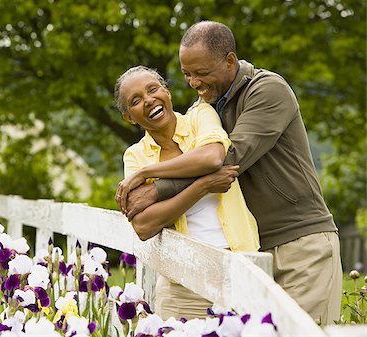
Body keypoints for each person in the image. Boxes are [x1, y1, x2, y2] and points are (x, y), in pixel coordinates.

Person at [121, 21, 342, 325]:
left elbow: (227, 158)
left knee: (303, 331)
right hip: (255, 252)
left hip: (300, 243)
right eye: (187, 74)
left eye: (201, 73)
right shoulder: (210, 106)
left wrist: (156, 187)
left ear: (229, 61)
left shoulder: (267, 90)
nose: (194, 83)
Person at [114, 65, 259, 320]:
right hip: (182, 286)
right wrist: (203, 186)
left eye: (153, 89)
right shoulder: (135, 155)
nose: (149, 100)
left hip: (238, 269)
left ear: (166, 92)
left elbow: (212, 157)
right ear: (129, 117)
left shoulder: (200, 115)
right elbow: (144, 225)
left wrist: (145, 174)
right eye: (136, 101)